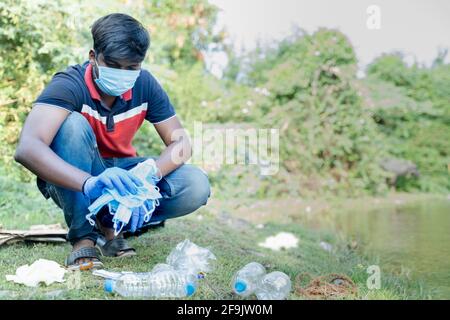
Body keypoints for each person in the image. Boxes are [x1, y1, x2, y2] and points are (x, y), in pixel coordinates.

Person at [14, 13, 210, 270]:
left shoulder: (145, 84)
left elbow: (181, 144)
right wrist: (90, 183)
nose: (123, 74)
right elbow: (28, 147)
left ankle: (114, 224)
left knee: (195, 184)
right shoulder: (69, 84)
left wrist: (150, 173)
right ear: (93, 57)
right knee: (72, 125)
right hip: (79, 176)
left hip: (124, 173)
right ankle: (84, 238)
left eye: (132, 67)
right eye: (114, 65)